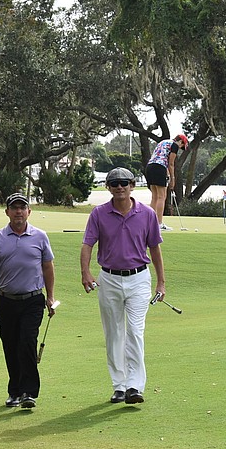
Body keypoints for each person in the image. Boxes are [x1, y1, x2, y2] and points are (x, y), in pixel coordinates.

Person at [80, 167, 166, 405]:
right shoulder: (99, 214)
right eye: (115, 183)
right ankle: (119, 385)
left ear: (132, 186)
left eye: (124, 182)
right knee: (114, 333)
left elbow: (155, 249)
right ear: (108, 187)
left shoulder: (147, 214)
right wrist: (85, 272)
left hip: (139, 278)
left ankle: (134, 386)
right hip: (109, 278)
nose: (120, 187)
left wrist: (161, 282)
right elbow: (88, 244)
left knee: (135, 332)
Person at [0, 193, 56, 409]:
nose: (18, 212)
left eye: (22, 208)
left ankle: (28, 392)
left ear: (29, 212)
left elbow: (48, 267)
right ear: (7, 212)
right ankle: (14, 391)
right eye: (14, 208)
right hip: (6, 300)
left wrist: (50, 297)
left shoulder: (40, 236)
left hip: (32, 300)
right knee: (11, 345)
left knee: (27, 341)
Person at [144, 133, 189, 231]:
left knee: (155, 197)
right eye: (182, 146)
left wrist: (167, 174)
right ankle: (159, 224)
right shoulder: (174, 145)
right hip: (159, 168)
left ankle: (150, 223)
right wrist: (173, 178)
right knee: (162, 197)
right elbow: (171, 164)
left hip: (150, 167)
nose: (180, 148)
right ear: (180, 141)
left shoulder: (163, 142)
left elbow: (162, 158)